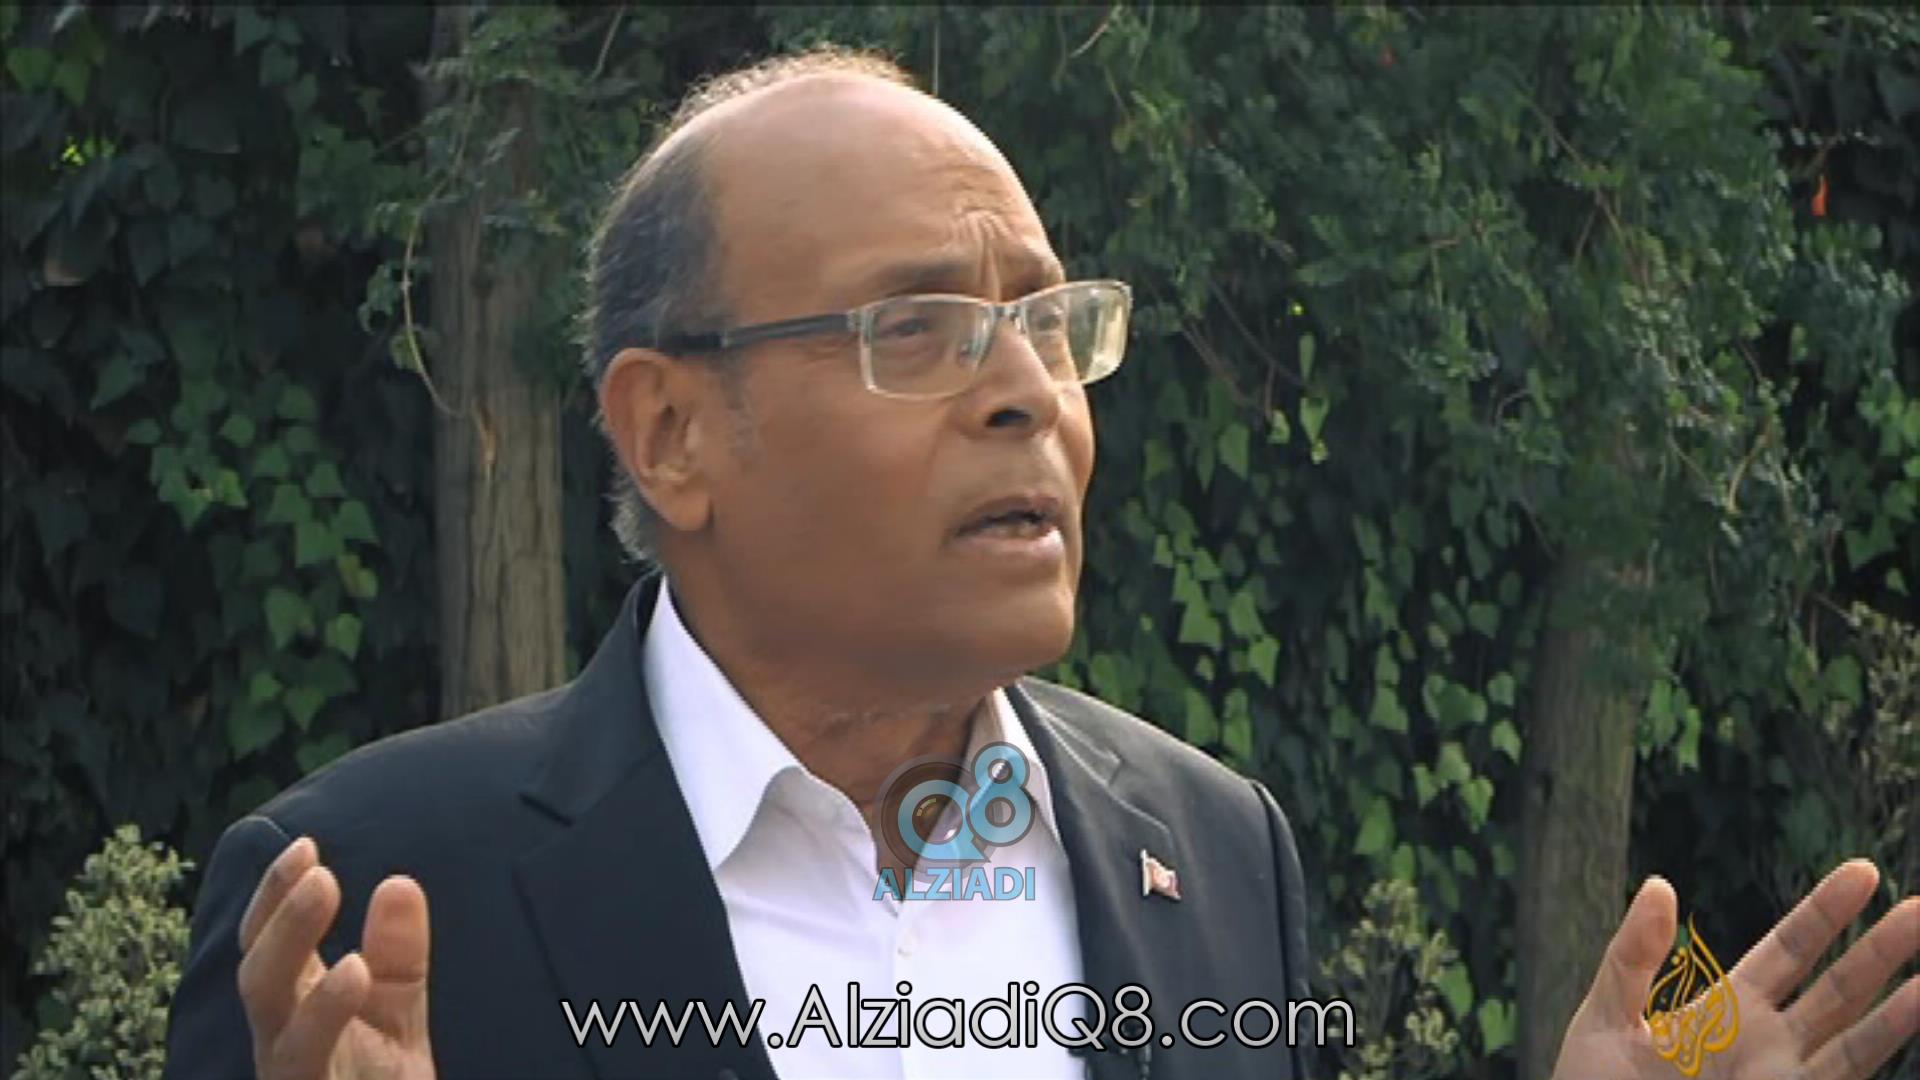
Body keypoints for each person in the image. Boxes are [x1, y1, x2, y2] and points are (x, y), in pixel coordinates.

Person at [162, 47, 1919, 1080]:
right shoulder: (370, 901)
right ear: (671, 432)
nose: (1029, 394)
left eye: (1051, 324)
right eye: (923, 328)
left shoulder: (1216, 855)